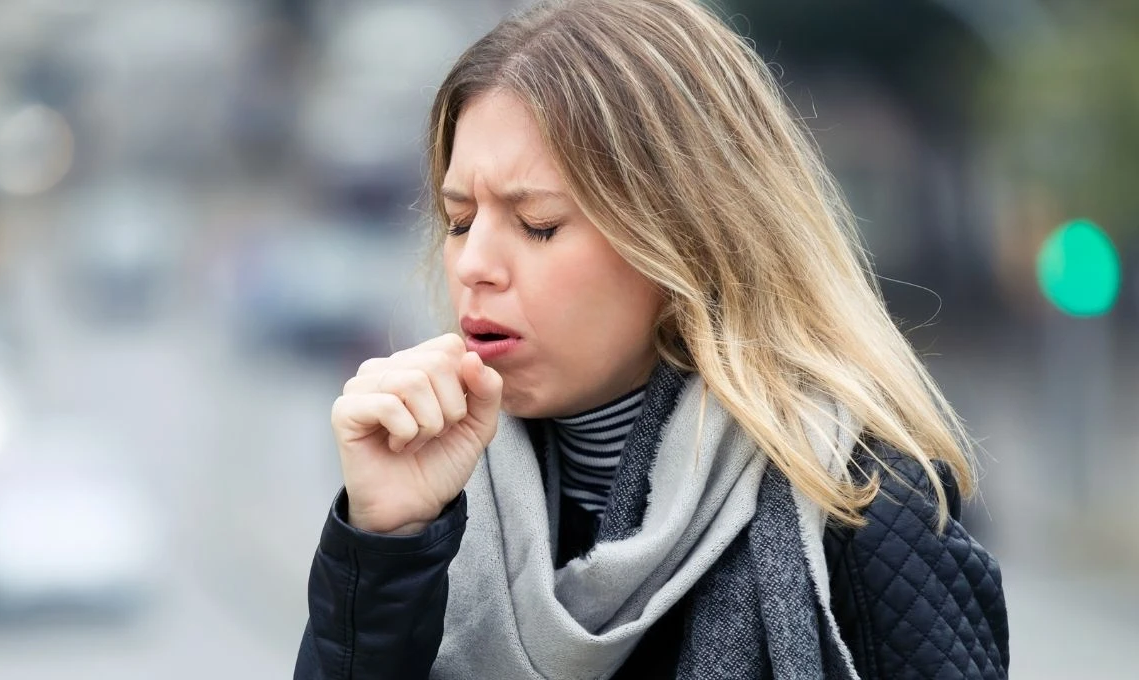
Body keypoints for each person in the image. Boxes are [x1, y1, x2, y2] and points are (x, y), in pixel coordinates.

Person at [293, 0, 1009, 678]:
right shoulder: (430, 504)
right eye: (459, 221)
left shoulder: (866, 506)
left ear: (684, 238)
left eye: (537, 223)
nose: (475, 264)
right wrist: (383, 546)